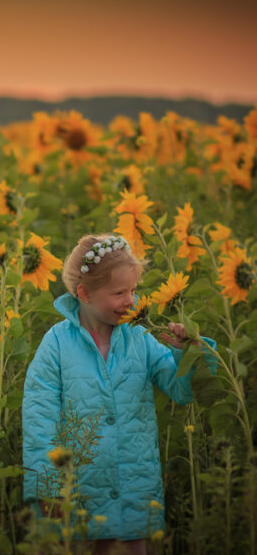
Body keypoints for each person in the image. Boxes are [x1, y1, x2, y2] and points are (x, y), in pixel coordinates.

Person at [22, 233, 216, 555]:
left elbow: (180, 390)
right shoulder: (56, 344)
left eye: (133, 290)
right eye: (119, 292)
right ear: (84, 293)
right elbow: (38, 419)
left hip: (133, 492)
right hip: (79, 495)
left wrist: (187, 352)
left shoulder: (139, 337)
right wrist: (49, 489)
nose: (131, 301)